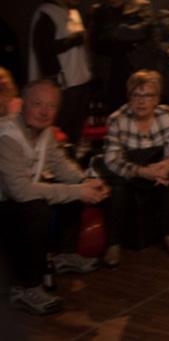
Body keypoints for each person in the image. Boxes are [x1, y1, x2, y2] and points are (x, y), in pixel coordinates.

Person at [0, 79, 109, 315]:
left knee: (72, 189)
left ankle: (64, 254)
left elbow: (60, 166)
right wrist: (79, 191)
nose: (45, 112)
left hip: (20, 198)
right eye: (37, 104)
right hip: (6, 203)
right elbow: (20, 192)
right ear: (23, 104)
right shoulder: (6, 135)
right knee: (37, 209)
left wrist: (86, 182)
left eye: (51, 106)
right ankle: (25, 287)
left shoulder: (46, 132)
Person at [100, 70, 169, 266]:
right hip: (130, 171)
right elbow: (112, 159)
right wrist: (140, 172)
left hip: (158, 167)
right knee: (116, 187)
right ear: (129, 97)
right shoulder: (116, 119)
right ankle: (113, 243)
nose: (141, 101)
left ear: (157, 99)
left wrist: (167, 164)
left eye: (148, 95)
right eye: (136, 95)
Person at [29, 0, 92, 143]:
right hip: (62, 88)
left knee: (74, 134)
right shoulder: (46, 14)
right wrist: (75, 39)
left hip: (80, 85)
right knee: (59, 135)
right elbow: (44, 50)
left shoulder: (72, 12)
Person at [88, 0, 156, 113]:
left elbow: (143, 31)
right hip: (109, 75)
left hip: (137, 70)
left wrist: (114, 32)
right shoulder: (97, 11)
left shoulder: (141, 6)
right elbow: (95, 43)